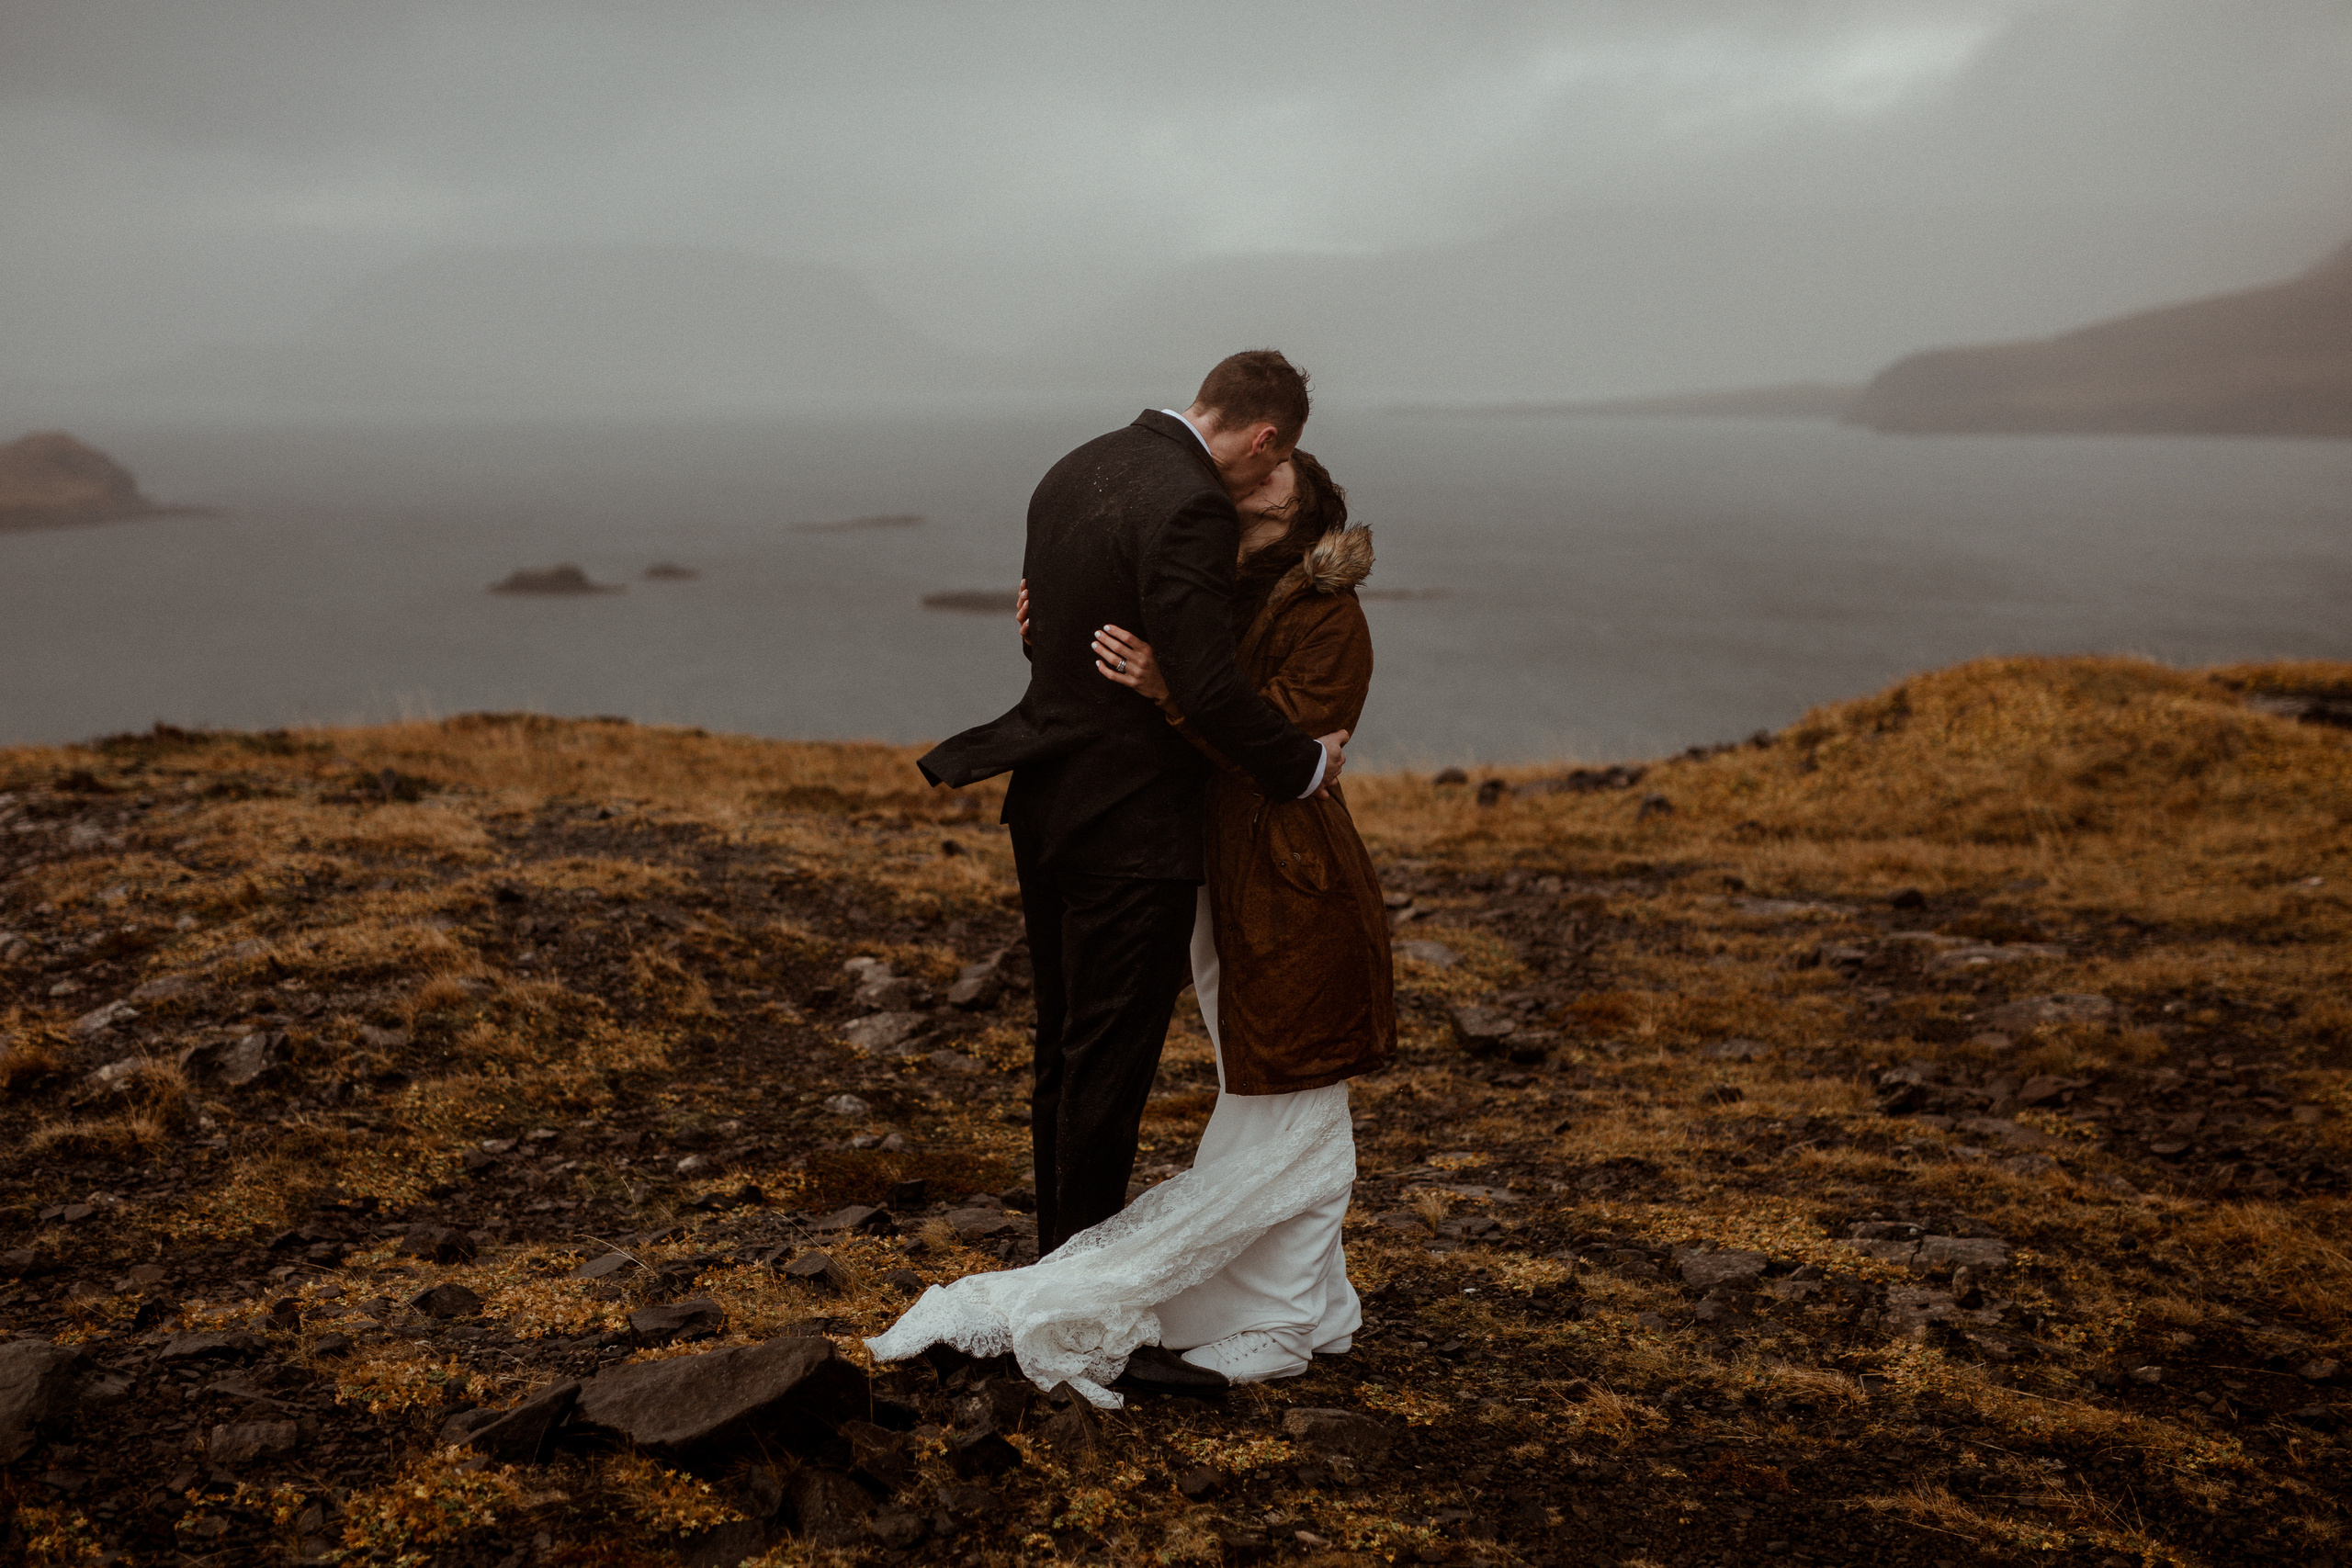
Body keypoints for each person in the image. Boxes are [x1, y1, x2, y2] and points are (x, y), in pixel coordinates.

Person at [871, 441, 1393, 1405]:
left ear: (1312, 525)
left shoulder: (1327, 616)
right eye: (1241, 511)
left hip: (1287, 882)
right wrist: (1053, 637)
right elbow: (1148, 691)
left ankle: (1280, 1325)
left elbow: (1270, 744)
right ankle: (1314, 1307)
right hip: (1222, 872)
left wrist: (1171, 689)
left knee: (1293, 1093)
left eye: (1271, 517)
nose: (1247, 526)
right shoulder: (1221, 600)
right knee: (1266, 1087)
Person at [914, 351, 1348, 1267]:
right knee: (1106, 1072)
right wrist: (1304, 766)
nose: (1273, 480)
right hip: (1133, 824)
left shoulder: (1076, 466)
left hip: (1047, 800)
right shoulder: (1188, 500)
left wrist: (1044, 634)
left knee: (1064, 1054)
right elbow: (1203, 679)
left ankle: (1053, 1276)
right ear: (1266, 435)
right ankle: (1074, 1309)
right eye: (1275, 462)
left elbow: (1063, 635)